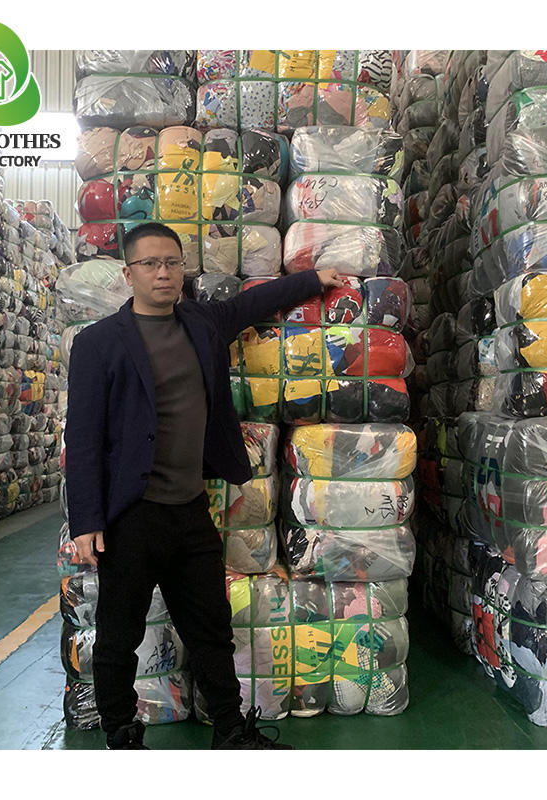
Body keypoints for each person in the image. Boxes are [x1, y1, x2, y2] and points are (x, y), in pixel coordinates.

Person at [65, 222, 343, 749]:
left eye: (172, 262)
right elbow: (81, 438)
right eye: (150, 264)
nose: (163, 273)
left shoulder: (200, 322)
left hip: (190, 510)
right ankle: (121, 736)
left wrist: (314, 279)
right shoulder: (98, 343)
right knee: (118, 636)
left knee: (212, 629)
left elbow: (254, 302)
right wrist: (87, 521)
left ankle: (231, 732)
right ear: (128, 273)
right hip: (131, 516)